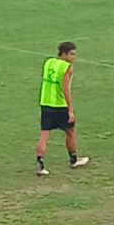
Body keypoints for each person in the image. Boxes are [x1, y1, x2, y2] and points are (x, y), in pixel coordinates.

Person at [36, 42, 90, 176]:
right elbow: (66, 89)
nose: (74, 58)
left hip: (45, 103)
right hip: (59, 105)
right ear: (64, 53)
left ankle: (40, 164)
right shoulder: (67, 67)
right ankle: (74, 159)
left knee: (45, 133)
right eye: (71, 54)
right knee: (70, 131)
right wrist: (70, 110)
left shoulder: (48, 62)